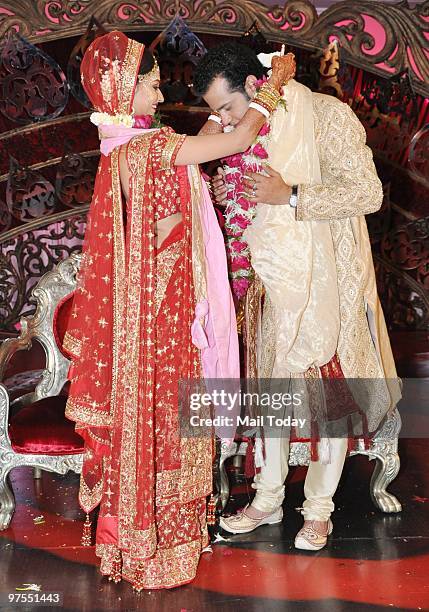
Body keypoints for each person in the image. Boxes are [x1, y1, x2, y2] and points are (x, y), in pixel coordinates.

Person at [64, 31, 293, 590]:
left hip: (159, 311)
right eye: (147, 81)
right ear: (120, 89)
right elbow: (235, 139)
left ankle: (142, 541)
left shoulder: (126, 144)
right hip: (162, 318)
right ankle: (155, 544)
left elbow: (204, 139)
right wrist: (272, 92)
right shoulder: (147, 149)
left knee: (166, 420)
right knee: (166, 422)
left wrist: (224, 123)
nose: (157, 85)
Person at [193, 42, 401, 550]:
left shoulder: (327, 116)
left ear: (256, 87)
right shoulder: (243, 129)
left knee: (329, 396)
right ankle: (267, 500)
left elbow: (368, 193)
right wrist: (231, 198)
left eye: (227, 107)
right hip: (268, 281)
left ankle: (319, 509)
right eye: (216, 111)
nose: (221, 120)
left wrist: (290, 195)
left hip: (325, 279)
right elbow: (244, 199)